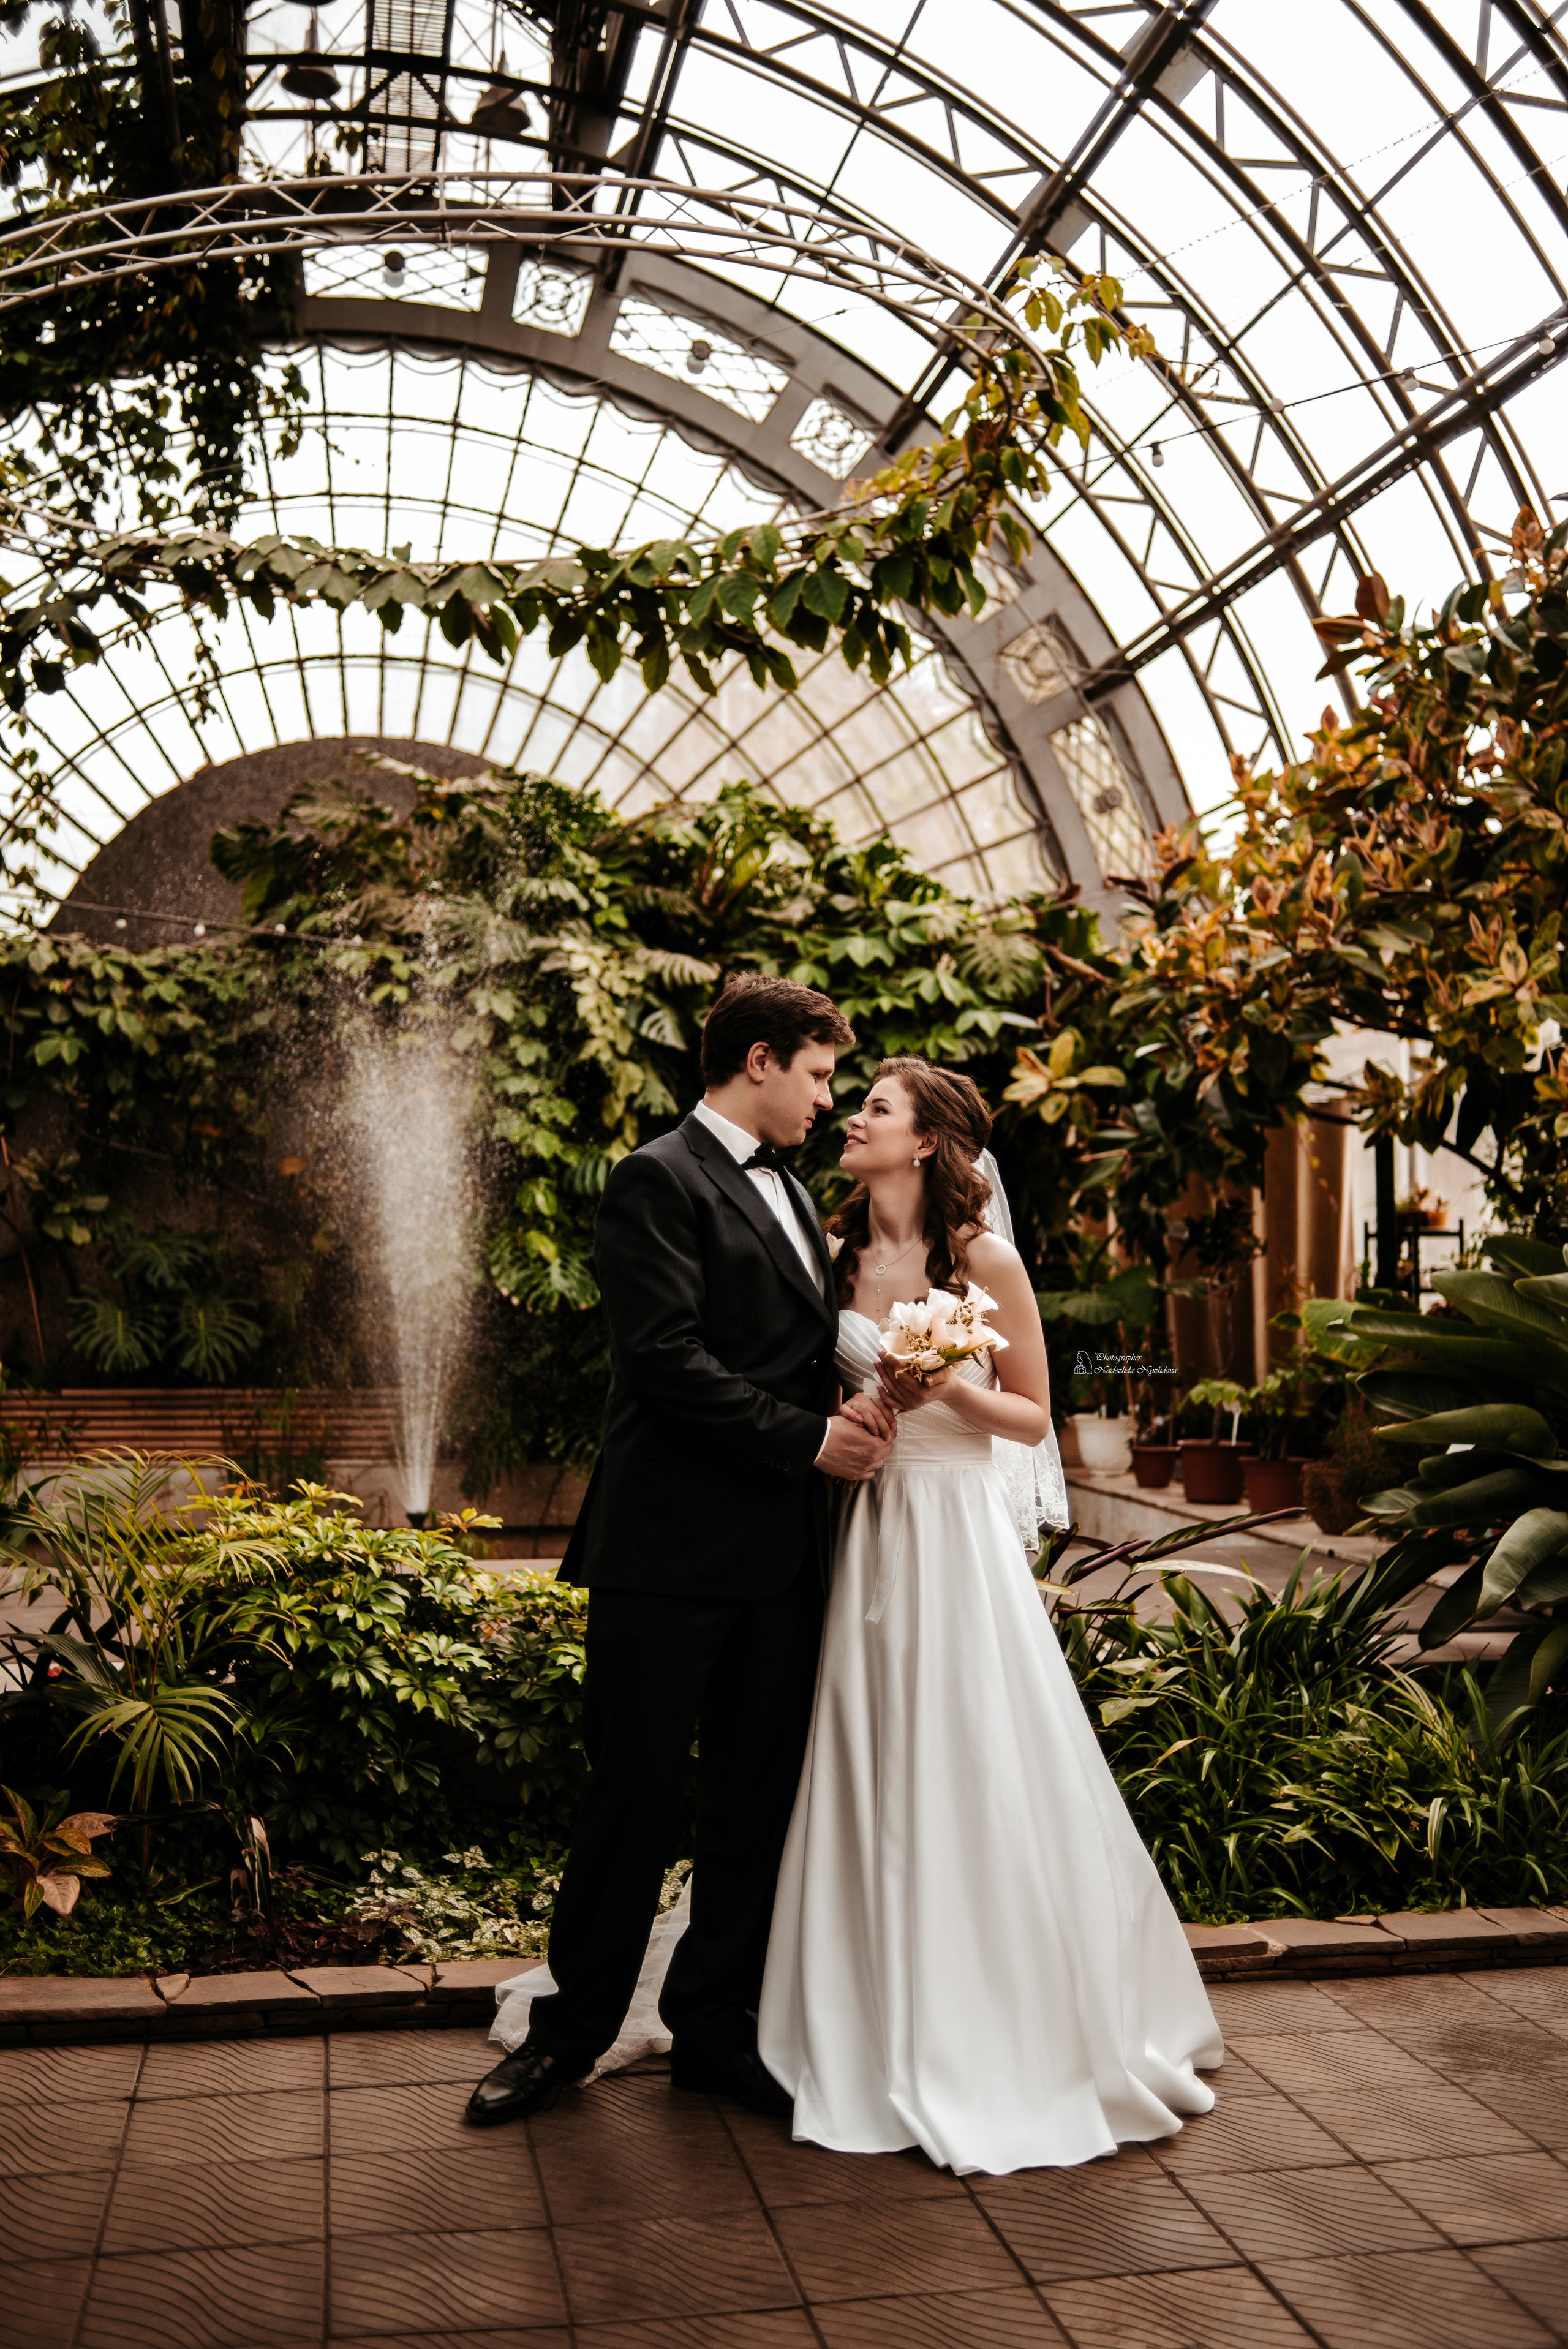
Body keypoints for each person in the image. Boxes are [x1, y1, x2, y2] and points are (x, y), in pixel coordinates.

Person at [755, 1056, 1224, 2175]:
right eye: (854, 1100)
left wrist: (942, 1382)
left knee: (971, 1755)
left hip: (956, 1535)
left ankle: (1005, 2025)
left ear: (924, 1142)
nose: (851, 1118)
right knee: (872, 1755)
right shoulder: (828, 1258)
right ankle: (860, 2014)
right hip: (867, 1529)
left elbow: (1029, 1420)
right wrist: (861, 1413)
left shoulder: (984, 1258)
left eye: (874, 1107)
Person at [466, 975, 894, 2127]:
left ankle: (714, 2031)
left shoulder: (799, 1196)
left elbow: (802, 1354)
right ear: (758, 1061)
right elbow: (665, 1360)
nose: (827, 1099)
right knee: (633, 1804)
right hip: (667, 1556)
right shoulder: (655, 1178)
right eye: (816, 1076)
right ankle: (568, 2037)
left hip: (785, 1564)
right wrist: (813, 1442)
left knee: (753, 1807)